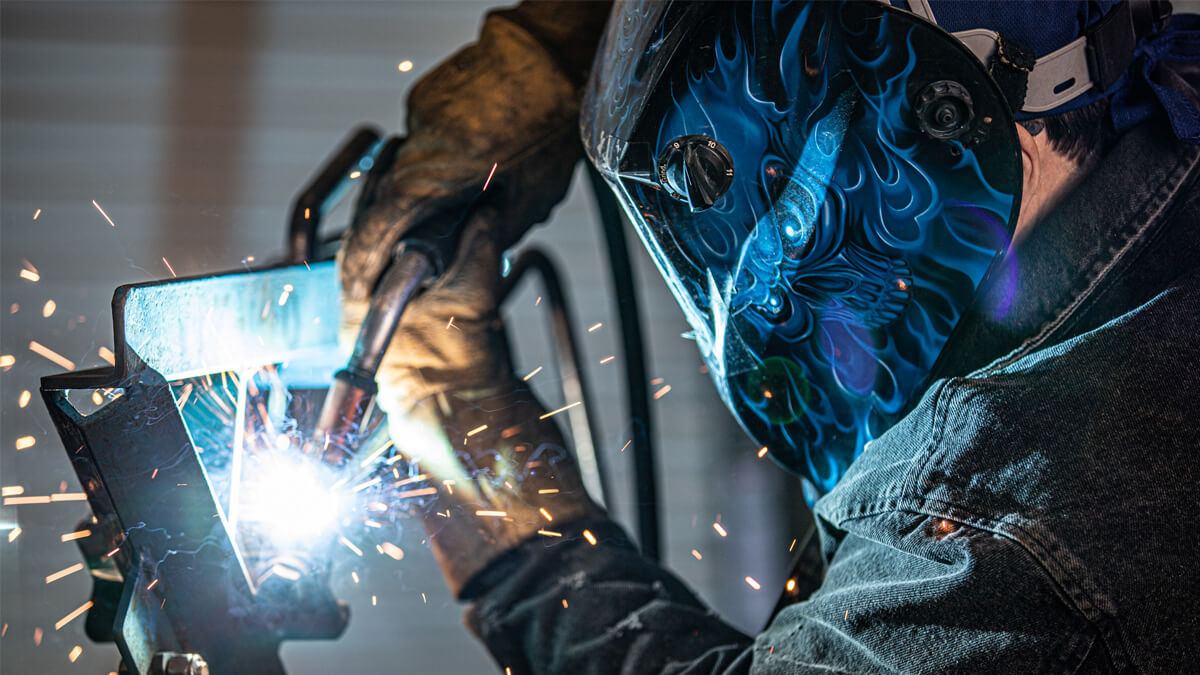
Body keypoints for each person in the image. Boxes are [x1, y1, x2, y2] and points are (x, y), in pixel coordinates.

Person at [338, 1, 1200, 672]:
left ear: (929, 112)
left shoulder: (994, 537)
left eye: (708, 173)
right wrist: (572, 45)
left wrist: (476, 470)